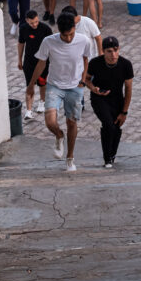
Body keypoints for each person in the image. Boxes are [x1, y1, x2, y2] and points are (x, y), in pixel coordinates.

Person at [27, 13, 93, 172]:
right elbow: (41, 63)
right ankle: (59, 135)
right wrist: (31, 85)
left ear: (75, 28)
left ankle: (70, 158)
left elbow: (85, 59)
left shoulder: (84, 40)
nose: (69, 38)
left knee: (72, 122)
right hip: (54, 85)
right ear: (59, 31)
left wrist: (83, 81)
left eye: (71, 34)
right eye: (65, 35)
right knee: (50, 121)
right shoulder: (48, 42)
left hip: (75, 87)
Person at [84, 36, 133, 168]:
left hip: (117, 99)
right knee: (108, 124)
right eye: (109, 51)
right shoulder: (95, 63)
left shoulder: (126, 65)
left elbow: (128, 89)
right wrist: (93, 88)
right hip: (99, 98)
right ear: (103, 51)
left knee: (116, 127)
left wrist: (124, 111)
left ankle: (112, 155)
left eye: (116, 50)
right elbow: (86, 79)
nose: (113, 54)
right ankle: (107, 158)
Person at [17, 10, 53, 118]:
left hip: (43, 61)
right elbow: (21, 43)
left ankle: (42, 102)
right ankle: (29, 111)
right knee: (29, 85)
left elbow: (52, 45)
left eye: (36, 21)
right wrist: (19, 59)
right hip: (29, 61)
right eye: (32, 23)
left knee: (42, 83)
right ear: (27, 21)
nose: (35, 24)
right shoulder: (23, 29)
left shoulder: (45, 29)